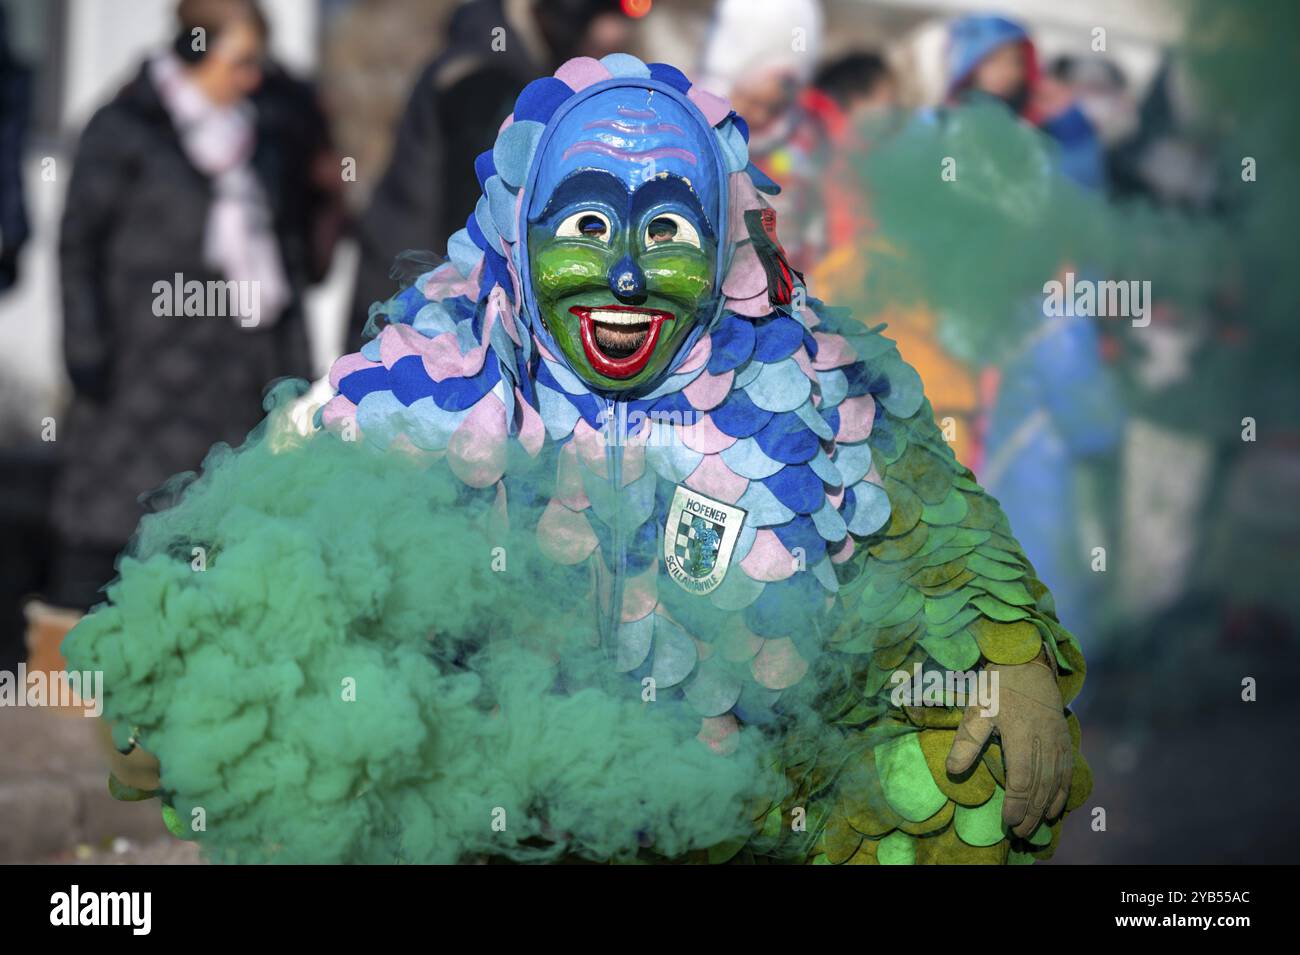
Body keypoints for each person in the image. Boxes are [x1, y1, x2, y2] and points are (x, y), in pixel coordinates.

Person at [77, 55, 1091, 865]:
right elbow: (258, 560)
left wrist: (1005, 659)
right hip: (487, 832)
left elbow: (939, 547)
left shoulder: (814, 387)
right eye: (589, 224)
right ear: (521, 233)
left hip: (753, 820)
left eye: (664, 229)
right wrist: (200, 670)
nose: (622, 274)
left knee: (957, 774)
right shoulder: (407, 390)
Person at [47, 0, 324, 620]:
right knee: (113, 536)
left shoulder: (260, 142)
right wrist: (85, 349)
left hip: (229, 378)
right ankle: (76, 694)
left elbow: (286, 259)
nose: (253, 78)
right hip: (137, 375)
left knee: (211, 541)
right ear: (196, 50)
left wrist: (295, 375)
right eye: (242, 61)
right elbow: (78, 244)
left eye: (260, 64)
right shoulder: (125, 128)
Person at [344, 0, 635, 348]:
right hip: (414, 301)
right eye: (597, 31)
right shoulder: (486, 77)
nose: (611, 43)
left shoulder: (514, 62)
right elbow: (479, 216)